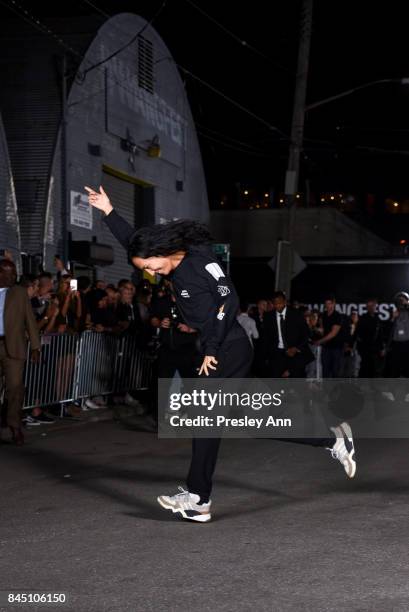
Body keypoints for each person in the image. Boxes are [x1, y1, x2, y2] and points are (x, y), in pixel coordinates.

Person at [86, 185, 253, 522]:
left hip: (229, 346)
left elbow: (229, 300)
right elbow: (135, 242)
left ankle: (198, 498)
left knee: (206, 418)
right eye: (145, 268)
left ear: (162, 251)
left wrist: (212, 348)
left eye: (150, 266)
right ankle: (331, 439)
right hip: (218, 346)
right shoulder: (169, 262)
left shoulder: (201, 261)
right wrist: (108, 211)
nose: (150, 272)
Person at [263, 291, 356, 477]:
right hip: (278, 355)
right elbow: (266, 338)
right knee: (274, 388)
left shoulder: (297, 315)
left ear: (285, 302)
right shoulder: (268, 317)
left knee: (306, 383)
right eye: (276, 304)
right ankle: (277, 411)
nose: (278, 306)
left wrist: (296, 348)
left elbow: (307, 333)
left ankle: (330, 433)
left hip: (298, 353)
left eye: (281, 303)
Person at [0, 260, 41, 445]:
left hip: (13, 346)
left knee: (15, 387)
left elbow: (30, 320)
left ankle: (14, 425)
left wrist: (35, 346)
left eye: (14, 272)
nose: (13, 276)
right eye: (8, 272)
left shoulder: (19, 293)